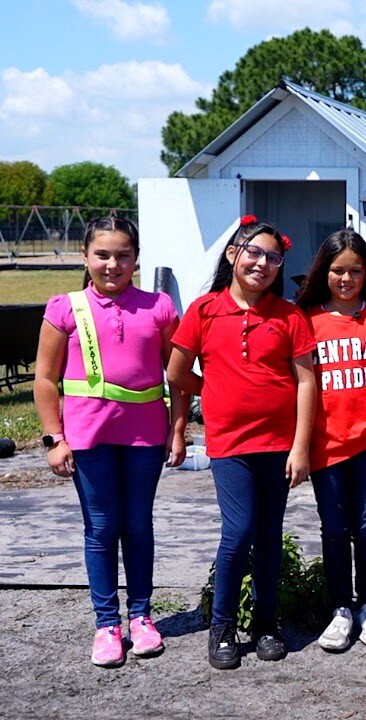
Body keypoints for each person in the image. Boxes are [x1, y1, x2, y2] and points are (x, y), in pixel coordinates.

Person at [34, 216, 187, 667]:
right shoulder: (65, 308)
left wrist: (178, 429)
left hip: (145, 437)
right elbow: (44, 379)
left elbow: (178, 376)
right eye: (102, 255)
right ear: (85, 257)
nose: (112, 265)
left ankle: (141, 617)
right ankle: (106, 625)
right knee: (101, 528)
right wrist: (54, 438)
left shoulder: (159, 307)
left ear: (136, 260)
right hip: (88, 438)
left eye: (123, 255)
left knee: (138, 525)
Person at [168, 215, 317, 670]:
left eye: (274, 257)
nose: (262, 264)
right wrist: (212, 391)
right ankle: (223, 626)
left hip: (279, 445)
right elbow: (176, 372)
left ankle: (266, 623)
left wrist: (301, 447)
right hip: (230, 445)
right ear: (234, 254)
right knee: (238, 532)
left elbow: (307, 382)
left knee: (269, 535)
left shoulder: (290, 316)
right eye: (254, 252)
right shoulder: (204, 311)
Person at [296, 230, 366, 652]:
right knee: (335, 528)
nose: (346, 279)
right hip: (326, 443)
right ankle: (340, 608)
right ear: (323, 272)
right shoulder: (306, 320)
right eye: (338, 270)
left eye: (355, 271)